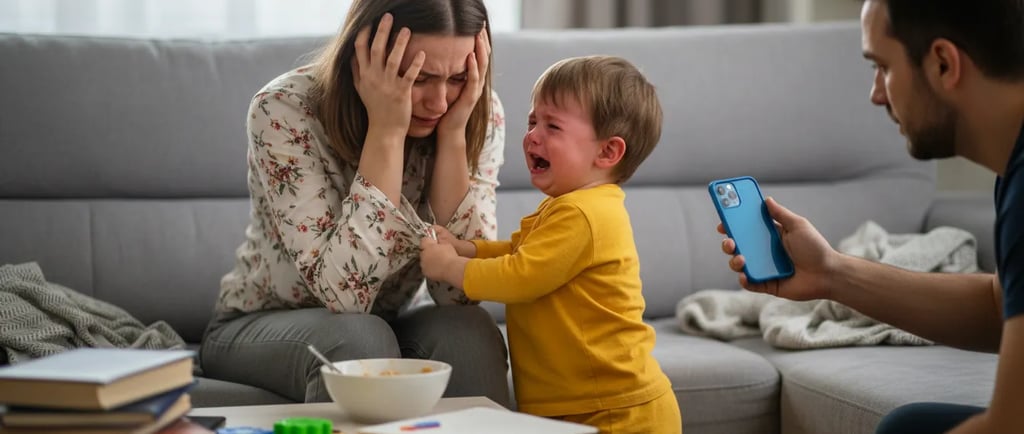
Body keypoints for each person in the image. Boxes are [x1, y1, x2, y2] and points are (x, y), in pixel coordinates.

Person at [717, 1, 1024, 433]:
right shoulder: (1012, 170)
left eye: (883, 67)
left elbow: (1009, 426)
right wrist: (831, 274)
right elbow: (999, 307)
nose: (876, 93)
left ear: (942, 64)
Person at [200, 0, 511, 407]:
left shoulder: (470, 115)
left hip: (389, 321)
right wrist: (386, 131)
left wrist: (453, 138)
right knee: (360, 338)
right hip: (261, 322)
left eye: (457, 77)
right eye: (418, 77)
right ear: (364, 55)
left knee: (470, 332)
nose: (439, 102)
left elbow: (460, 296)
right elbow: (347, 299)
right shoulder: (284, 109)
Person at [420, 55, 682, 434]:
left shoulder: (583, 215)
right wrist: (467, 249)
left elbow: (520, 276)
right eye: (532, 121)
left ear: (607, 152)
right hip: (575, 406)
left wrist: (448, 267)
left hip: (616, 412)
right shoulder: (570, 207)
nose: (532, 136)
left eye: (552, 126)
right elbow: (518, 250)